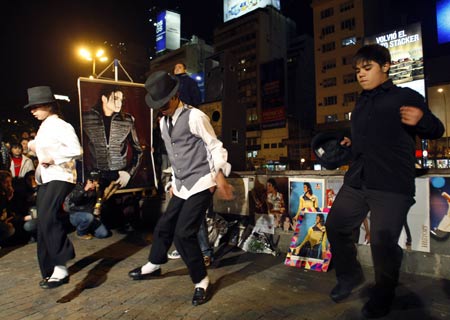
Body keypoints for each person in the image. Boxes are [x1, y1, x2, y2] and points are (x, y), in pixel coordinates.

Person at [325, 44, 444, 319]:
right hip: (359, 179)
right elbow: (369, 139)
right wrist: (350, 142)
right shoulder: (361, 101)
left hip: (391, 184)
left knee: (382, 244)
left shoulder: (405, 96)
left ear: (386, 66)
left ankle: (384, 292)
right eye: (357, 70)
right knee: (336, 226)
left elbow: (437, 129)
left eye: (367, 68)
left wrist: (421, 119)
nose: (361, 75)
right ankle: (349, 276)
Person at [129, 71, 233, 306]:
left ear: (175, 96)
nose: (161, 108)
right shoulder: (163, 122)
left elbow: (215, 146)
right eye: (158, 105)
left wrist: (220, 174)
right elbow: (175, 157)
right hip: (181, 184)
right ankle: (154, 264)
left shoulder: (195, 116)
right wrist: (172, 183)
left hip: (202, 181)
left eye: (164, 103)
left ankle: (201, 280)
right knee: (164, 225)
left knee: (184, 233)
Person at [24, 86, 82, 289]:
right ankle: (49, 270)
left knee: (48, 216)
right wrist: (34, 146)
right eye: (31, 107)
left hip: (61, 176)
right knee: (42, 222)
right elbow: (42, 146)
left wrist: (52, 158)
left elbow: (76, 150)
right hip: (47, 178)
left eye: (36, 106)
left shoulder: (60, 125)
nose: (32, 111)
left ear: (48, 105)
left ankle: (61, 264)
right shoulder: (44, 127)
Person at [82, 85, 143, 195]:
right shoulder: (86, 118)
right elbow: (79, 151)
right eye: (115, 98)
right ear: (104, 98)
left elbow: (138, 151)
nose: (119, 103)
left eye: (121, 99)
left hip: (119, 175)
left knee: (122, 209)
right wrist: (87, 176)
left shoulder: (127, 120)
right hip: (97, 177)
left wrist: (129, 173)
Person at [64, 170, 110, 240]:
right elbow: (74, 200)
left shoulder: (97, 190)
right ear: (87, 180)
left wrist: (99, 209)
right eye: (91, 181)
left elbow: (98, 203)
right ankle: (80, 233)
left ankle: (87, 228)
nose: (94, 183)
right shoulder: (79, 187)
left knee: (103, 234)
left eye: (96, 181)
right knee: (89, 217)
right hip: (76, 215)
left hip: (90, 215)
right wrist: (85, 189)